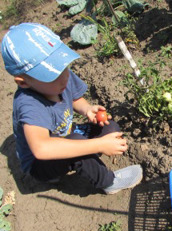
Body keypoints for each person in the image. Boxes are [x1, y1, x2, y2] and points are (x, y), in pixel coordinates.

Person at [1, 22, 143, 194]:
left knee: (109, 126)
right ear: (23, 82)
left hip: (65, 132)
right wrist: (98, 145)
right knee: (76, 143)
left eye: (64, 68)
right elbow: (41, 149)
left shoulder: (61, 78)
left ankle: (83, 154)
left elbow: (75, 98)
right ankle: (108, 181)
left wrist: (87, 109)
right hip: (41, 165)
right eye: (51, 75)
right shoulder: (29, 104)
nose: (64, 78)